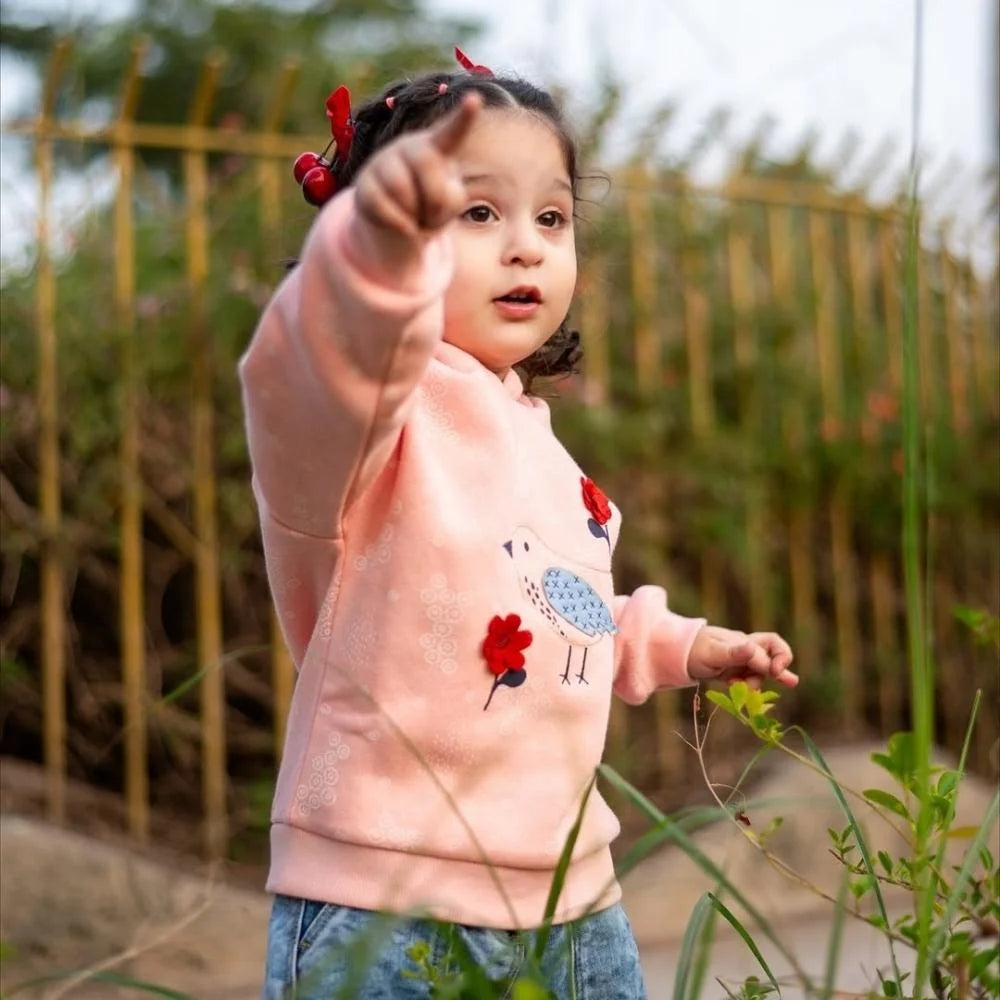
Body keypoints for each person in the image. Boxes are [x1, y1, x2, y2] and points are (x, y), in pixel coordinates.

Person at [240, 47, 798, 1000]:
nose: (526, 246)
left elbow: (561, 607)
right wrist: (363, 263)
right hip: (391, 901)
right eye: (476, 212)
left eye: (551, 217)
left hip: (576, 906)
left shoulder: (541, 443)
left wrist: (682, 646)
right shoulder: (372, 416)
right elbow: (303, 370)